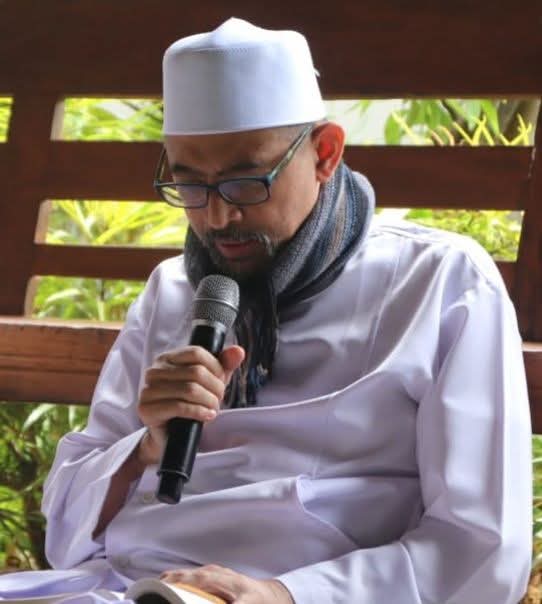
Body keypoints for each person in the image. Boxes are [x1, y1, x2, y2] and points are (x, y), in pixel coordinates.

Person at [34, 16, 532, 604]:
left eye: (246, 183)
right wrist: (145, 446)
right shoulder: (172, 287)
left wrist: (285, 595)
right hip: (122, 589)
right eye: (190, 186)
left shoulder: (439, 282)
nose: (218, 218)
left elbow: (483, 549)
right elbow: (64, 532)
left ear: (325, 154)